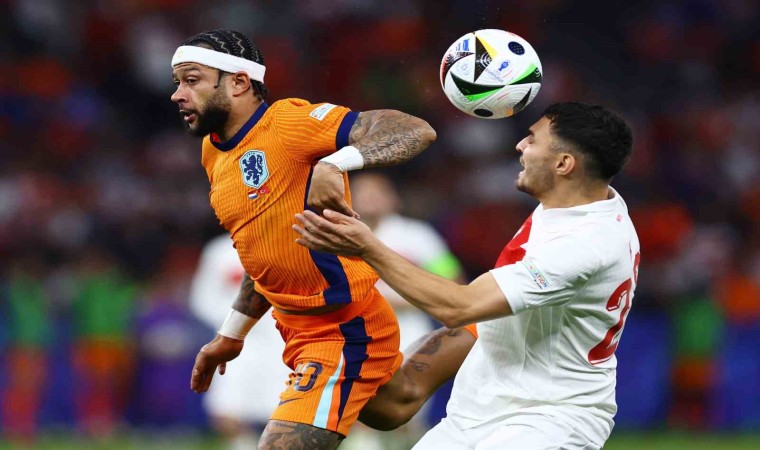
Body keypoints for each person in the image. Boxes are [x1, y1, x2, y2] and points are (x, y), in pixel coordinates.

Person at [294, 102, 639, 449]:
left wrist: (367, 247)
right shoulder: (575, 204)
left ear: (564, 164)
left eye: (533, 140)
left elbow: (460, 306)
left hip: (548, 419)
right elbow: (484, 312)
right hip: (476, 413)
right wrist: (416, 374)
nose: (520, 145)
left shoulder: (584, 243)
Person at [170, 29, 436, 449]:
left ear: (238, 82)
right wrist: (231, 334)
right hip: (293, 330)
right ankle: (477, 328)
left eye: (192, 80)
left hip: (343, 327)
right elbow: (263, 253)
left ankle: (477, 317)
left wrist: (336, 163)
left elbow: (414, 129)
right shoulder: (213, 152)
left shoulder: (287, 123)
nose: (178, 94)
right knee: (393, 406)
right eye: (177, 82)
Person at [346, 173, 465, 448]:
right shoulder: (334, 233)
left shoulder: (418, 236)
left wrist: (394, 300)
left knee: (402, 414)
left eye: (377, 192)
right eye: (363, 192)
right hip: (349, 333)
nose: (370, 199)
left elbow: (453, 282)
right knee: (351, 414)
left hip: (406, 332)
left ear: (392, 199)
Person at [189, 234, 288, 448]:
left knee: (287, 408)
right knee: (227, 408)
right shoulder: (219, 251)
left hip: (281, 340)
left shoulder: (287, 243)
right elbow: (202, 299)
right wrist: (236, 323)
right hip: (236, 342)